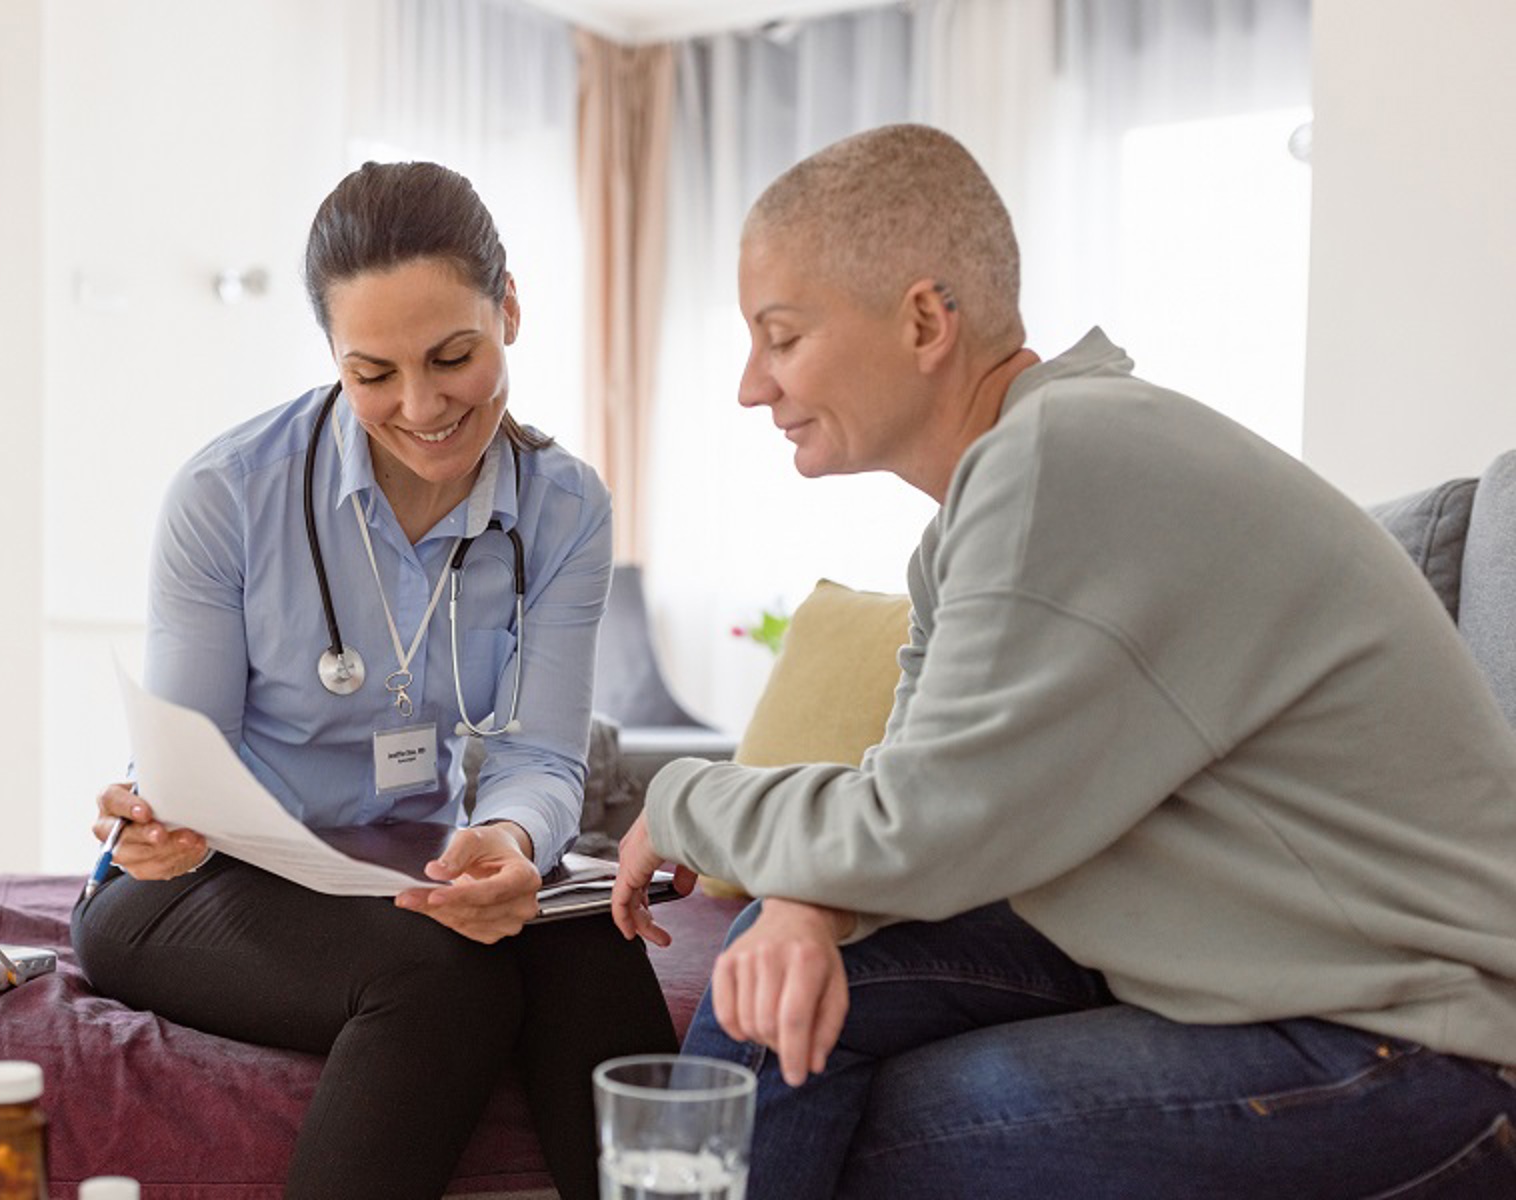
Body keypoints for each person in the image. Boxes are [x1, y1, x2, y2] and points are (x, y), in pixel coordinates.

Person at [610, 124, 1516, 1198]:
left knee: (865, 1118)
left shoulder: (1063, 462)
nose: (750, 386)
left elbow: (910, 832)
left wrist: (681, 799)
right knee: (786, 976)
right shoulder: (993, 502)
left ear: (924, 321)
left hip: (1417, 1048)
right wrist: (810, 902)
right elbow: (912, 805)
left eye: (781, 337)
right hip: (1270, 984)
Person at [72, 160, 676, 1200]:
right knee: (440, 981)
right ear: (332, 359)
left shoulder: (565, 508)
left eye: (453, 357)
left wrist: (513, 839)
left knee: (591, 952)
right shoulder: (228, 496)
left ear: (509, 311)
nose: (422, 406)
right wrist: (155, 819)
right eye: (373, 373)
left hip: (405, 871)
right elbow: (186, 758)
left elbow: (539, 755)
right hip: (204, 885)